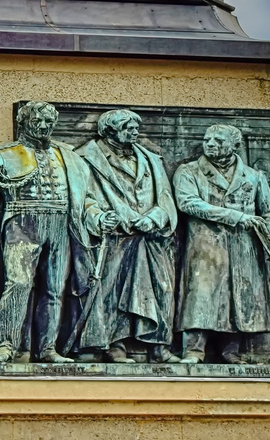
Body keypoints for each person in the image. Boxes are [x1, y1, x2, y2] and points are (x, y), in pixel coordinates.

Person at [0, 101, 97, 363]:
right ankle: (6, 346)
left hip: (59, 225)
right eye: (37, 121)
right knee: (18, 284)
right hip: (21, 224)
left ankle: (47, 349)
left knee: (55, 288)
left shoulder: (70, 158)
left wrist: (98, 217)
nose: (43, 127)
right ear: (23, 123)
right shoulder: (3, 155)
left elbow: (84, 198)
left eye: (48, 122)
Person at [173, 124, 270, 363]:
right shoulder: (189, 171)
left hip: (244, 247)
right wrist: (236, 216)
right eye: (207, 139)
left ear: (235, 146)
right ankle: (193, 350)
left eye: (218, 140)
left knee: (239, 297)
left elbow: (269, 211)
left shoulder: (254, 176)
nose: (210, 144)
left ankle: (231, 350)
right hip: (206, 245)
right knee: (201, 296)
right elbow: (188, 203)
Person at [72, 110, 180, 362]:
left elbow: (164, 196)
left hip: (150, 237)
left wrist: (154, 218)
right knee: (112, 290)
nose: (135, 132)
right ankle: (113, 344)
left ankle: (159, 346)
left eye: (135, 127)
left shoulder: (151, 159)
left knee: (160, 288)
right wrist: (99, 217)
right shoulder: (85, 159)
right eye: (127, 128)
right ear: (109, 131)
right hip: (114, 237)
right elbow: (81, 199)